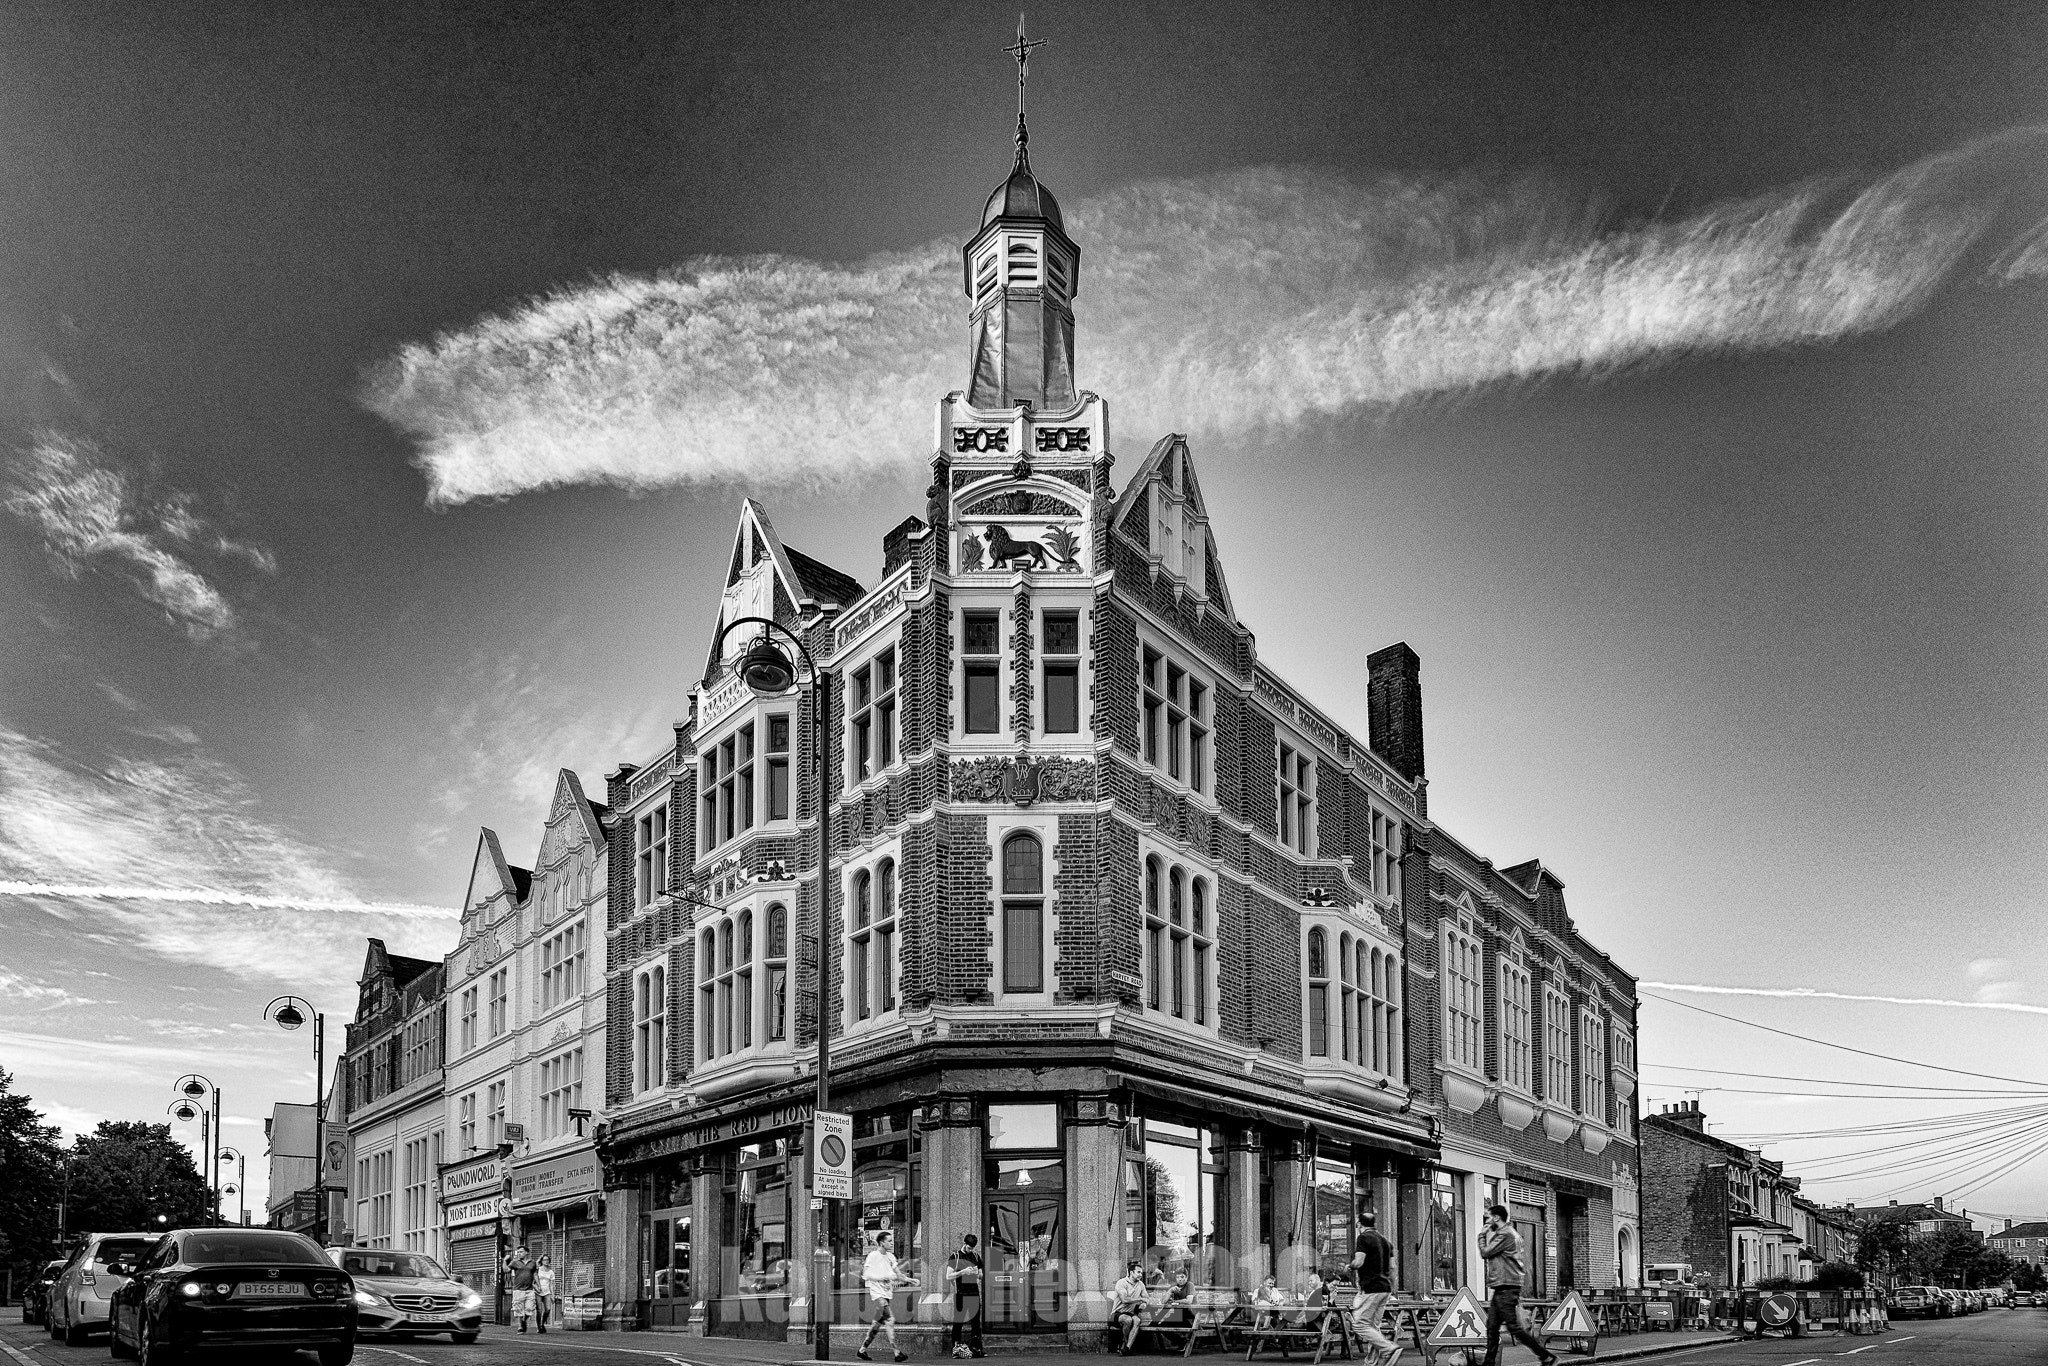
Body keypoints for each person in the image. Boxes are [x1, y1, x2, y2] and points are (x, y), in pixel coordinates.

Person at [1478, 1205, 1557, 1366]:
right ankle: (1489, 1362)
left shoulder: (1505, 1234)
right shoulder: (1510, 1233)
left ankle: (1547, 1357)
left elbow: (1486, 1252)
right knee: (1492, 1327)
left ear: (1496, 1218)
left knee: (1514, 1328)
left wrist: (1481, 1235)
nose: (1486, 1220)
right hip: (1503, 1286)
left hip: (1507, 1286)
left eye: (1487, 1217)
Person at [1347, 1214, 1401, 1364]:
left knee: (1359, 1324)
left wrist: (1349, 1267)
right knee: (1373, 1327)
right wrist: (1393, 1288)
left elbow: (1358, 1262)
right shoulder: (1386, 1241)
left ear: (1359, 1224)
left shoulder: (1363, 1238)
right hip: (1385, 1289)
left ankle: (1389, 1348)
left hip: (1371, 1287)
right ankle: (1371, 1362)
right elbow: (1392, 1267)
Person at [856, 1228, 914, 1362]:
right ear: (882, 1243)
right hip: (877, 1294)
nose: (891, 1243)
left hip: (887, 1294)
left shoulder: (890, 1256)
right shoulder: (873, 1256)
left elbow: (898, 1274)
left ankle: (862, 1350)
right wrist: (884, 1277)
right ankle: (897, 1353)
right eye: (889, 1241)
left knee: (876, 1324)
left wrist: (910, 1280)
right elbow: (866, 1275)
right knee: (890, 1320)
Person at [944, 1233, 985, 1359]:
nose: (970, 1250)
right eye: (968, 1247)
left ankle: (976, 1348)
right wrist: (963, 1272)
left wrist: (977, 1273)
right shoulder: (955, 1256)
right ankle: (956, 1349)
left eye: (972, 1248)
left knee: (976, 1323)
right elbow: (948, 1276)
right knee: (958, 1322)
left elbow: (981, 1274)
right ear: (964, 1244)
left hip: (974, 1293)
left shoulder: (976, 1256)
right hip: (961, 1293)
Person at [1110, 1261, 1150, 1354]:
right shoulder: (1121, 1283)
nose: (1141, 1275)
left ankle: (1127, 1348)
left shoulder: (1141, 1284)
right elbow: (1124, 1299)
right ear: (1131, 1272)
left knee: (1137, 1321)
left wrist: (1145, 1303)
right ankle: (1124, 1342)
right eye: (1138, 1272)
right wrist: (1140, 1299)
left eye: (1141, 1272)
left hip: (1130, 1312)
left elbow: (1146, 1297)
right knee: (1127, 1320)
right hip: (1117, 1313)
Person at [504, 1248, 538, 1334]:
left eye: (521, 1252)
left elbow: (535, 1274)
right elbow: (506, 1270)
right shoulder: (515, 1262)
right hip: (518, 1289)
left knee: (530, 1309)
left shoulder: (532, 1263)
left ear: (526, 1253)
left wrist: (538, 1284)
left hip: (530, 1289)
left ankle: (524, 1320)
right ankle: (520, 1326)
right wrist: (504, 1260)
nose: (519, 1253)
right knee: (518, 1309)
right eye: (518, 1252)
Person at [534, 1253, 556, 1335]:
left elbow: (551, 1284)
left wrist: (552, 1295)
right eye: (544, 1260)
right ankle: (539, 1327)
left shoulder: (551, 1272)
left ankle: (542, 1323)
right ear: (541, 1261)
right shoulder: (538, 1270)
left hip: (547, 1292)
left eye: (547, 1260)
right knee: (539, 1310)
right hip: (538, 1292)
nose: (546, 1261)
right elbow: (533, 1281)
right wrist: (537, 1288)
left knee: (548, 1309)